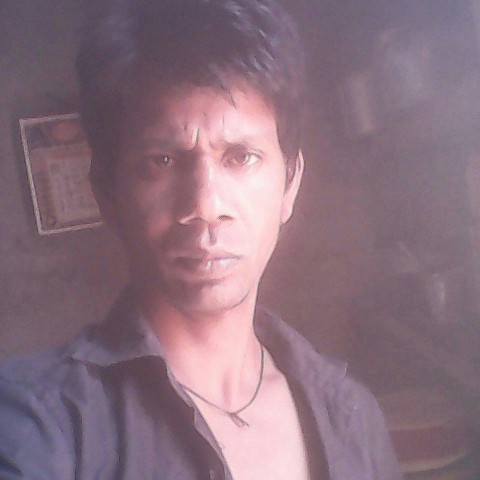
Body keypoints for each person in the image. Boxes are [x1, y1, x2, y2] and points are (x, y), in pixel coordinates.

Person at [0, 1, 403, 479]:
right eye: (162, 161)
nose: (206, 205)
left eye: (242, 157)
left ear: (290, 185)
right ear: (107, 193)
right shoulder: (39, 425)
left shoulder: (352, 417)